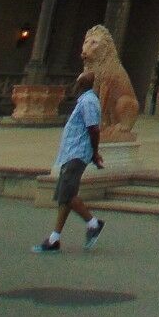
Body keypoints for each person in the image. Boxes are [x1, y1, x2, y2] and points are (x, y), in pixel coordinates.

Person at [32, 72, 105, 254]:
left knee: (67, 195)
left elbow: (93, 129)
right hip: (71, 154)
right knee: (65, 197)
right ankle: (54, 238)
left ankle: (93, 223)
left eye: (77, 82)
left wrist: (95, 153)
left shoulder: (88, 102)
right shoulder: (84, 101)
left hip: (77, 154)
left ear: (81, 84)